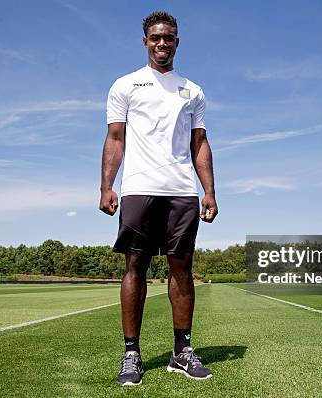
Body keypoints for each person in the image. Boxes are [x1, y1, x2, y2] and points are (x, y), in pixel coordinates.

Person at [99, 11, 218, 386]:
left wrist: (209, 191)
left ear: (177, 42)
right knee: (135, 266)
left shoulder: (193, 91)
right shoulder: (126, 86)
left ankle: (181, 352)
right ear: (145, 41)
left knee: (181, 269)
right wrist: (107, 185)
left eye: (168, 37)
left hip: (182, 191)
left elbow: (199, 144)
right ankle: (131, 354)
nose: (162, 43)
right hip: (138, 189)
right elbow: (115, 139)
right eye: (155, 37)